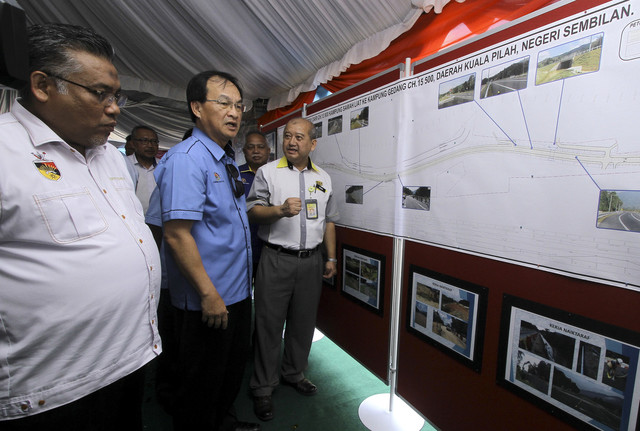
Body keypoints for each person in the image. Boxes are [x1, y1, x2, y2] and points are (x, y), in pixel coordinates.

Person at [0, 23, 161, 430]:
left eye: (116, 95)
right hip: (54, 392)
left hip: (130, 361)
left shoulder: (108, 155)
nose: (114, 108)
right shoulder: (5, 152)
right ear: (41, 85)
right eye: (99, 93)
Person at [153, 70, 259, 431]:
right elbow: (177, 235)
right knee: (200, 385)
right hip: (209, 300)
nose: (234, 112)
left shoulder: (226, 158)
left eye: (239, 105)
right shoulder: (187, 159)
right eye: (224, 103)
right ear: (197, 108)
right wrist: (209, 294)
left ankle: (224, 422)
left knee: (229, 375)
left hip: (237, 292)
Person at [247, 117, 339, 422]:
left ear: (312, 143)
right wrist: (280, 210)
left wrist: (331, 258)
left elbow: (328, 220)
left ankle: (293, 373)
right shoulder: (267, 172)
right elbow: (254, 212)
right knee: (268, 325)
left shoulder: (324, 178)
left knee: (303, 324)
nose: (292, 142)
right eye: (288, 136)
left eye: (300, 137)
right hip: (275, 259)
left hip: (311, 261)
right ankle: (263, 387)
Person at [238, 131, 270, 274]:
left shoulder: (276, 174)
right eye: (251, 147)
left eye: (260, 147)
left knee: (265, 293)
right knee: (241, 292)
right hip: (241, 247)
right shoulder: (235, 175)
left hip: (269, 247)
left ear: (268, 151)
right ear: (244, 151)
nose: (256, 151)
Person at [127, 125, 161, 214]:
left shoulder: (164, 166)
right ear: (133, 143)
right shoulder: (124, 164)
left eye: (154, 141)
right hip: (133, 220)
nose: (150, 145)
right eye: (144, 141)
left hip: (159, 223)